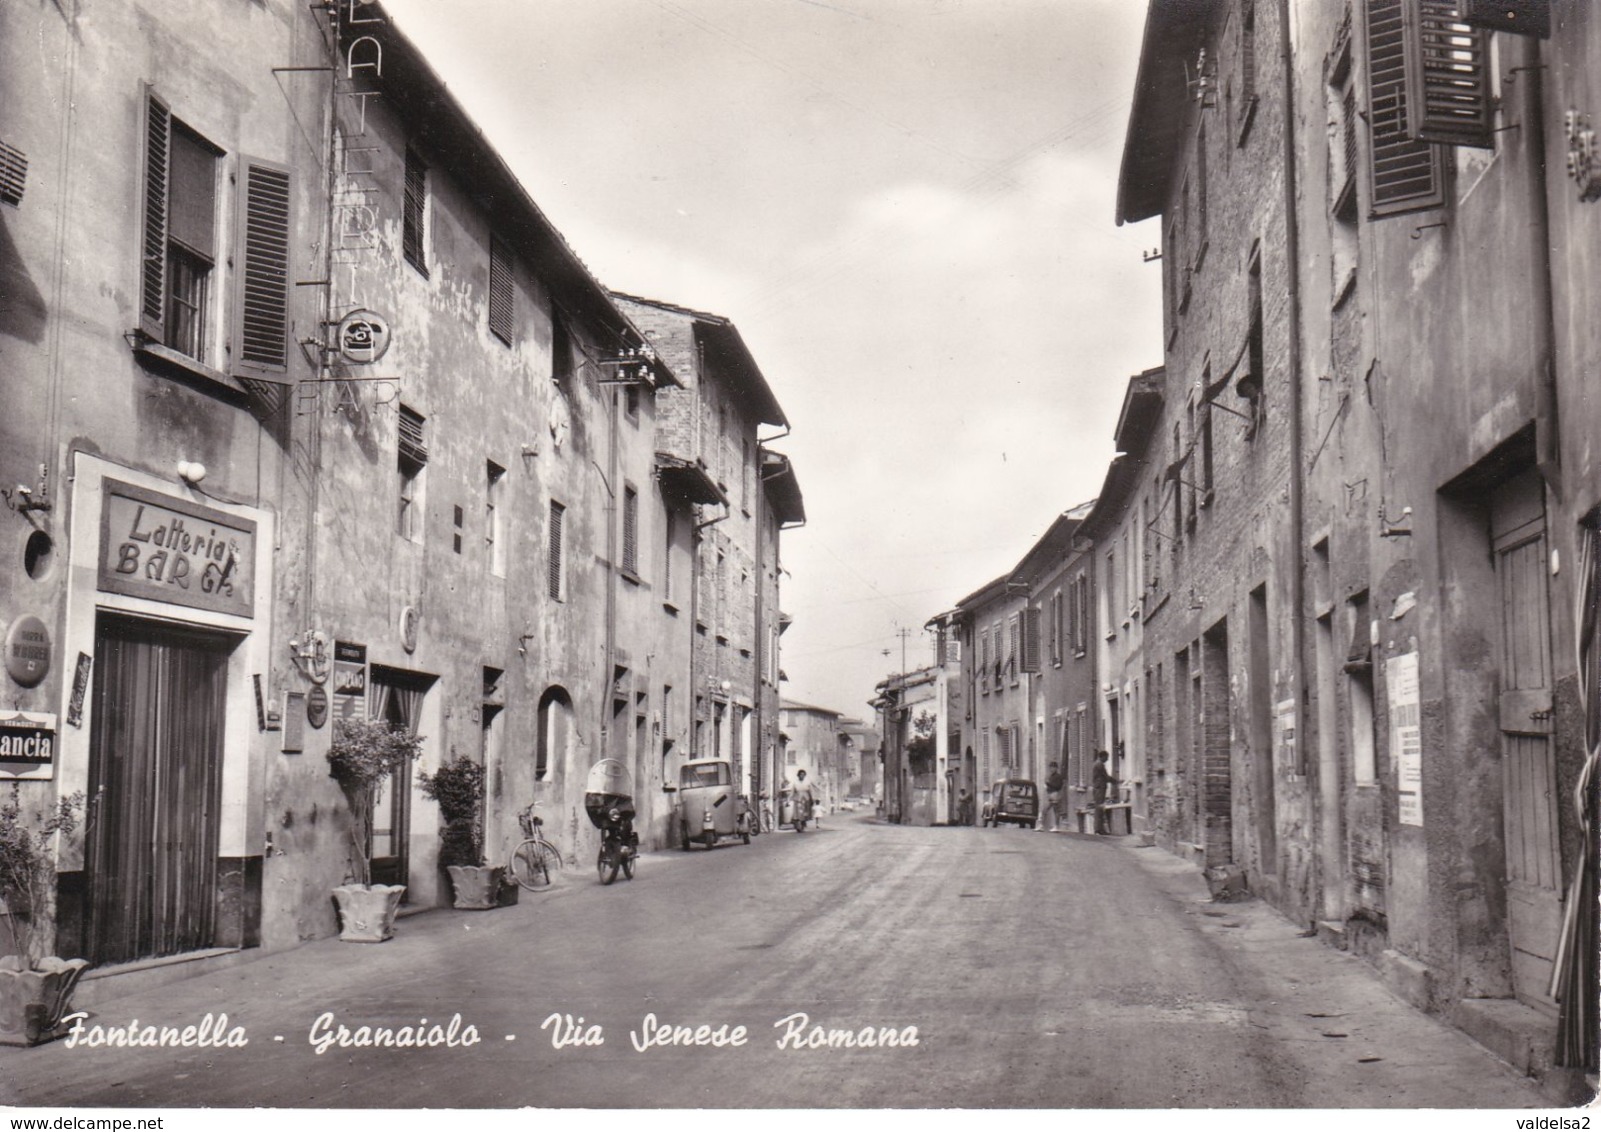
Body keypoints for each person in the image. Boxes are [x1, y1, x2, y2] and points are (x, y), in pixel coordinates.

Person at [1091, 750, 1120, 834]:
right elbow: (1106, 777)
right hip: (1099, 789)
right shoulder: (1099, 765)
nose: (1107, 759)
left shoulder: (1097, 764)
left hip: (1098, 788)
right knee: (1099, 808)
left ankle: (1098, 828)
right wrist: (1115, 781)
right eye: (1106, 757)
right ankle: (1099, 829)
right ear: (1102, 756)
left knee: (1099, 808)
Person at [1042, 762, 1064, 831]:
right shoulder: (1051, 776)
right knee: (1045, 810)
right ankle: (1042, 825)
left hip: (1055, 794)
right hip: (1050, 794)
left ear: (1056, 768)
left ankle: (1056, 826)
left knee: (1055, 810)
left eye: (1053, 767)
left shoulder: (1058, 777)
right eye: (1050, 767)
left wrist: (1049, 784)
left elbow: (1058, 786)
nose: (1051, 769)